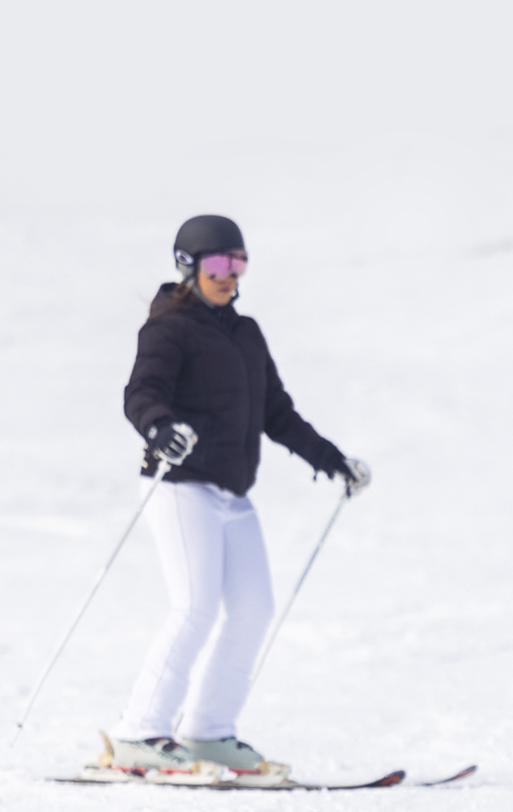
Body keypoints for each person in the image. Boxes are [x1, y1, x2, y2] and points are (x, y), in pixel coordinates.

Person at [109, 214, 367, 778]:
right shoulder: (168, 329)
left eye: (239, 263)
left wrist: (331, 460)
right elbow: (141, 393)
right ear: (188, 266)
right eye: (219, 264)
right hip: (179, 484)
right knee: (194, 607)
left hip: (231, 491)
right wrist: (160, 428)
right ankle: (138, 732)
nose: (230, 275)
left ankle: (208, 731)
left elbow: (277, 412)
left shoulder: (246, 333)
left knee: (253, 610)